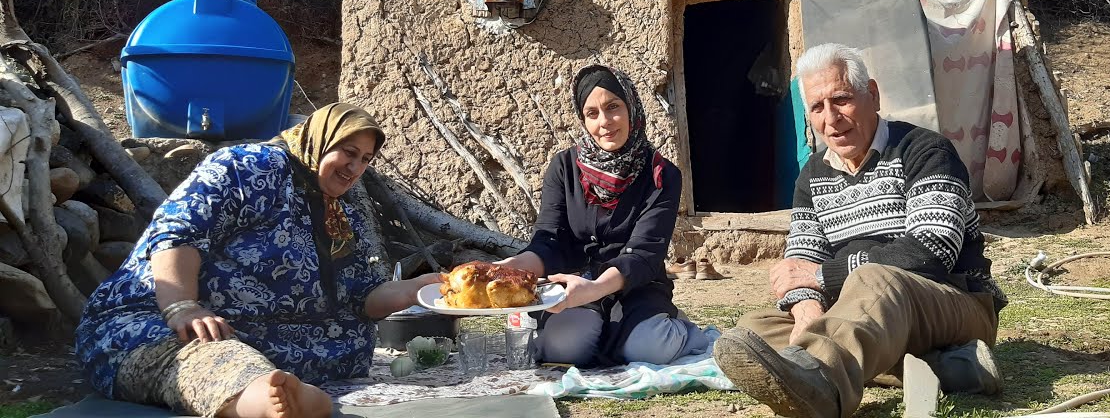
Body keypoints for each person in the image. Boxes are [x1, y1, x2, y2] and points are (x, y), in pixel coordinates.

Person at [76, 103, 441, 418]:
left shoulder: (344, 211)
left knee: (339, 349)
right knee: (200, 357)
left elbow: (361, 296)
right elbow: (177, 231)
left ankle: (286, 389)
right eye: (347, 152)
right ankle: (259, 401)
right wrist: (182, 307)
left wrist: (419, 289)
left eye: (365, 159)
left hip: (272, 339)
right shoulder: (248, 168)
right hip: (164, 323)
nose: (355, 167)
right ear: (320, 141)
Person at [714, 44, 1006, 418]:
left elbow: (932, 251)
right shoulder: (812, 176)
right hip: (869, 311)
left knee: (873, 281)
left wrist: (823, 276)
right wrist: (806, 303)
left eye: (842, 99)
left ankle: (826, 388)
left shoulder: (925, 150)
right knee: (756, 330)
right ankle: (952, 367)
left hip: (955, 302)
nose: (831, 118)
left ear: (873, 95)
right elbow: (802, 257)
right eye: (817, 108)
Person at [496, 64, 708, 366]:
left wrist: (595, 289)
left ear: (631, 107)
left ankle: (670, 329)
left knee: (649, 350)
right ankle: (613, 333)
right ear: (583, 120)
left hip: (635, 285)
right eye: (592, 113)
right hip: (572, 284)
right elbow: (549, 240)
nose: (605, 122)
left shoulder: (661, 174)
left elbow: (644, 254)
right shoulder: (564, 168)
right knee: (563, 349)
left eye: (613, 107)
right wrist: (511, 267)